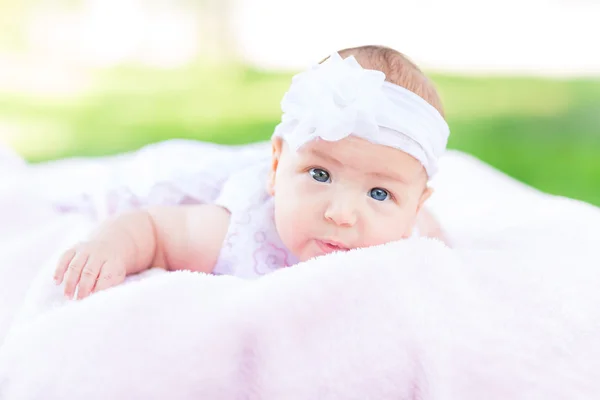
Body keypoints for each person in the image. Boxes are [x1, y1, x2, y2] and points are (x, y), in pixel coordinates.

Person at [53, 45, 450, 299]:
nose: (340, 214)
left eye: (379, 194)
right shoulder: (235, 233)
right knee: (141, 178)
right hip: (201, 179)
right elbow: (153, 230)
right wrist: (107, 247)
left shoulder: (412, 240)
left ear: (413, 209)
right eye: (320, 174)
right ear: (277, 169)